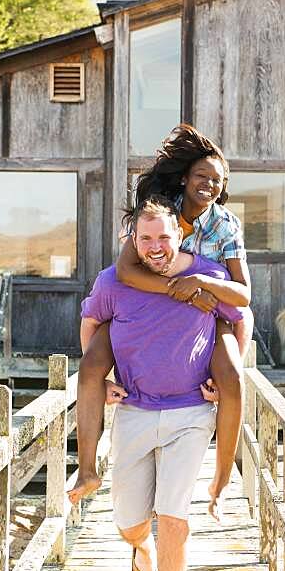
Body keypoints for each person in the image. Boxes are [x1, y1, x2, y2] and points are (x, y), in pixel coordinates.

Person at [68, 124, 253, 522]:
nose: (208, 184)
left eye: (217, 181)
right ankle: (86, 470)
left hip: (205, 315)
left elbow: (243, 295)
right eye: (201, 175)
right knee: (90, 366)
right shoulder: (159, 210)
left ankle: (220, 481)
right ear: (185, 178)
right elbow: (128, 273)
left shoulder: (225, 225)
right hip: (148, 304)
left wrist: (202, 285)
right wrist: (179, 288)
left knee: (234, 377)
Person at [77, 195, 245, 571]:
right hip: (134, 410)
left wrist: (223, 380)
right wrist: (107, 380)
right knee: (129, 524)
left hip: (190, 413)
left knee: (174, 517)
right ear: (134, 241)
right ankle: (143, 550)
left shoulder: (209, 273)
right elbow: (91, 323)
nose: (156, 246)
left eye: (163, 237)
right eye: (146, 238)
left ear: (179, 236)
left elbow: (240, 319)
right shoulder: (111, 283)